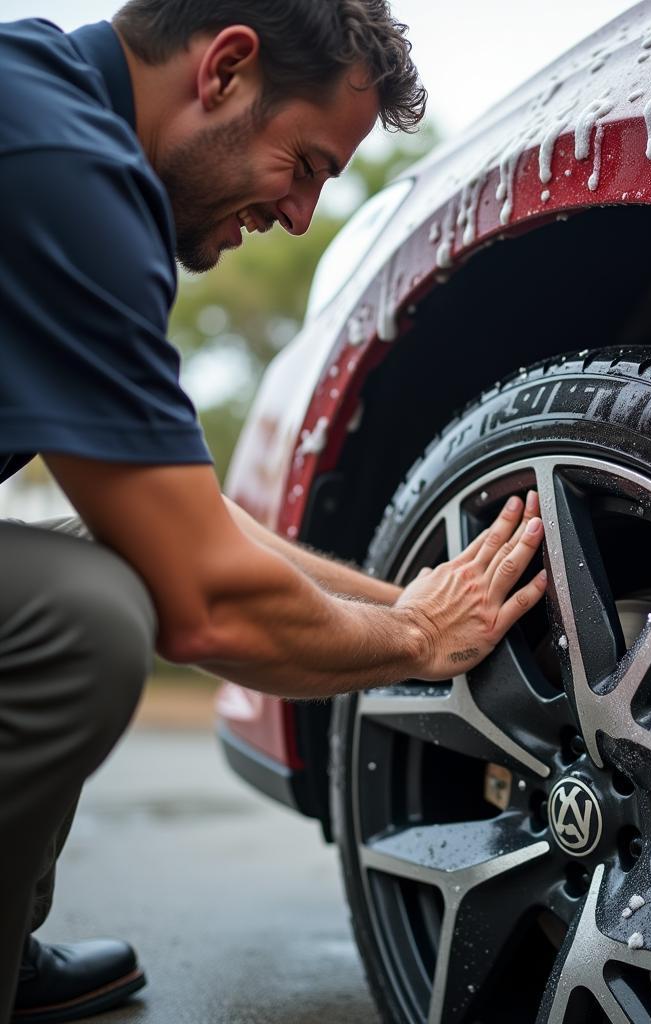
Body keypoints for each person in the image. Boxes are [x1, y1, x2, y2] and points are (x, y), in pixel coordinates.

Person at [0, 2, 549, 1020]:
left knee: (106, 561)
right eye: (305, 166)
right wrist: (416, 639)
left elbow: (187, 519)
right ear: (226, 70)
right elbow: (206, 600)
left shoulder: (46, 109)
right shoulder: (59, 165)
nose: (298, 218)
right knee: (84, 619)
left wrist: (407, 598)